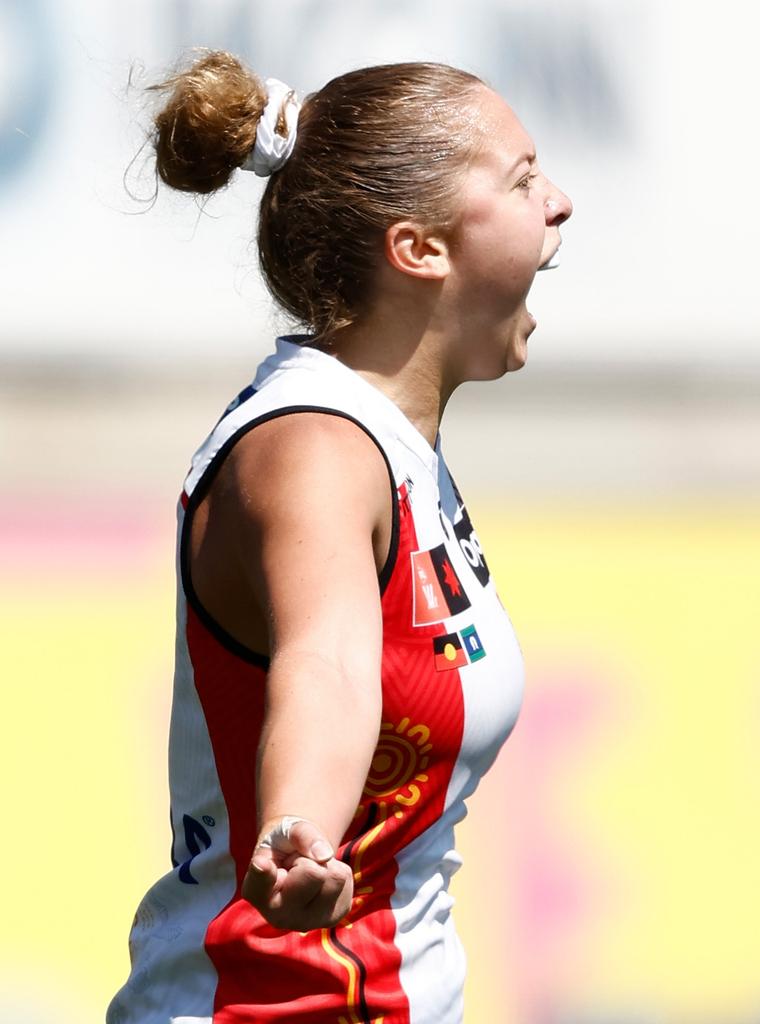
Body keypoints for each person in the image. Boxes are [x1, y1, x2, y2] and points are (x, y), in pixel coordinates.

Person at [107, 52, 572, 1024]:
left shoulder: (388, 440)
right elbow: (328, 665)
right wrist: (299, 826)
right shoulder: (316, 448)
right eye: (523, 179)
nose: (559, 202)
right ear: (419, 248)